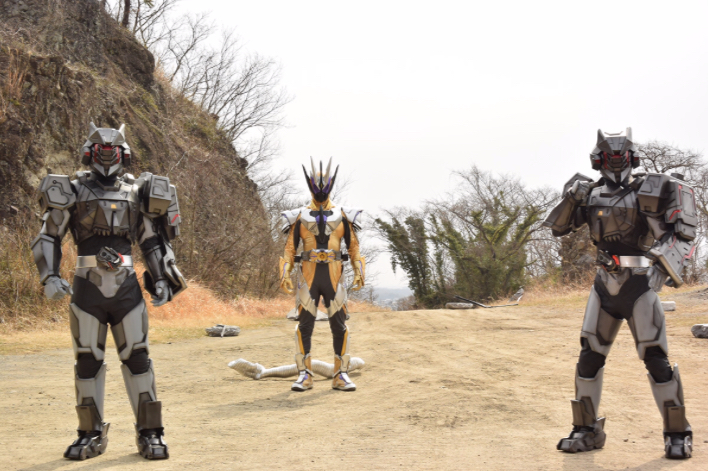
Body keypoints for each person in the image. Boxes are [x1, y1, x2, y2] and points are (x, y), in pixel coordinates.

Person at [32, 122, 187, 460]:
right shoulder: (71, 190)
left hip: (126, 287)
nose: (107, 154)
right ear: (90, 151)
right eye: (101, 148)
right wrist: (50, 276)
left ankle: (151, 433)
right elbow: (49, 236)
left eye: (112, 148)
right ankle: (89, 433)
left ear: (123, 152)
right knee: (87, 360)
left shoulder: (138, 192)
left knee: (138, 358)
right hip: (86, 287)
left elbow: (151, 241)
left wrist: (161, 278)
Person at [545, 128, 695, 459]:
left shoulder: (650, 188)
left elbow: (681, 232)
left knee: (655, 358)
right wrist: (572, 198)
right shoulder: (588, 192)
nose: (615, 160)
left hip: (640, 282)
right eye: (609, 155)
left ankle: (677, 432)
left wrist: (663, 266)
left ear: (631, 157)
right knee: (589, 357)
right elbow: (557, 226)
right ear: (598, 159)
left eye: (620, 154)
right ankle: (586, 429)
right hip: (604, 283)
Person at [279, 158, 365, 392]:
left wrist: (359, 270)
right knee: (304, 326)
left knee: (339, 325)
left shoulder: (344, 214)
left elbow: (354, 247)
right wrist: (285, 272)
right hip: (309, 277)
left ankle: (340, 374)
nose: (320, 192)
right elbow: (289, 249)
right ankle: (305, 375)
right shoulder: (298, 216)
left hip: (334, 277)